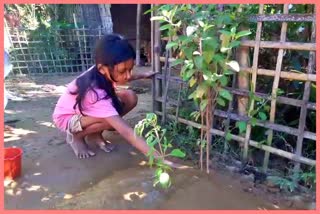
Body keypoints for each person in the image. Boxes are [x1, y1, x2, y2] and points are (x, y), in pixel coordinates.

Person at [52, 34, 183, 169]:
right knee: (108, 118)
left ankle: (94, 134)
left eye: (130, 69)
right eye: (122, 71)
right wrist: (158, 157)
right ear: (102, 68)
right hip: (67, 118)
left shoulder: (102, 70)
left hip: (85, 112)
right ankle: (76, 137)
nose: (127, 75)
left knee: (129, 96)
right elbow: (126, 132)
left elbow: (124, 77)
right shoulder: (96, 93)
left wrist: (143, 75)